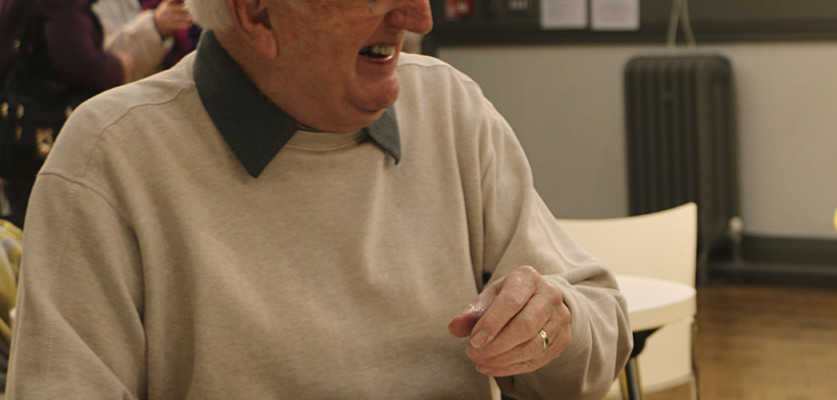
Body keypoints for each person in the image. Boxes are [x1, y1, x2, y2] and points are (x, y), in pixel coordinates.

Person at [6, 0, 630, 397]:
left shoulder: (450, 108)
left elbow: (600, 328)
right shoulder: (110, 157)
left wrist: (554, 326)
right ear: (256, 14)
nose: (420, 16)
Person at [0, 0, 139, 228]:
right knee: (58, 231)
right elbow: (80, 63)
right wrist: (119, 65)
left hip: (18, 137)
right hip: (46, 137)